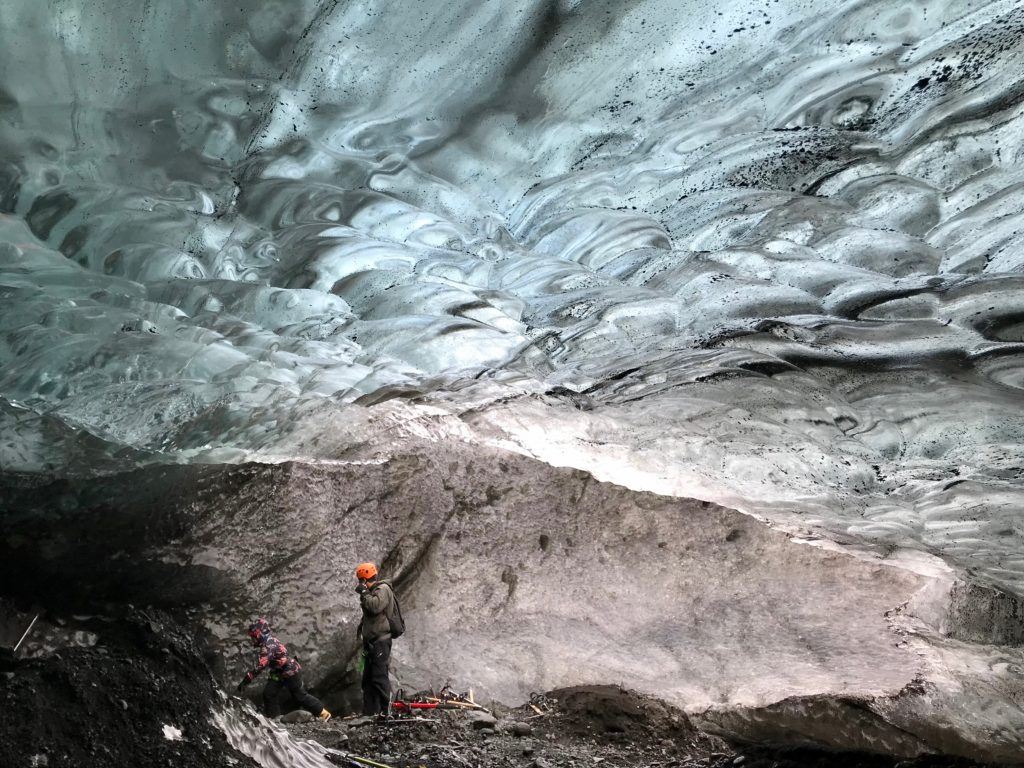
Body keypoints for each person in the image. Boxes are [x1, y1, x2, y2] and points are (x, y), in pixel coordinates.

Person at [237, 617, 331, 722]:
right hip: (279, 672)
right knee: (269, 693)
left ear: (260, 634)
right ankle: (275, 719)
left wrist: (245, 681)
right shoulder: (269, 642)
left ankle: (324, 713)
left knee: (300, 696)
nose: (252, 640)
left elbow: (260, 667)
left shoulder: (268, 646)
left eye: (254, 636)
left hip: (291, 671)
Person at [355, 562, 399, 716]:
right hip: (371, 643)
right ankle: (369, 713)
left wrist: (364, 593)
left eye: (360, 580)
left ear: (363, 578)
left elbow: (375, 607)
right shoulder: (373, 591)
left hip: (380, 641)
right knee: (367, 679)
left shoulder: (383, 589)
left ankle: (385, 711)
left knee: (379, 677)